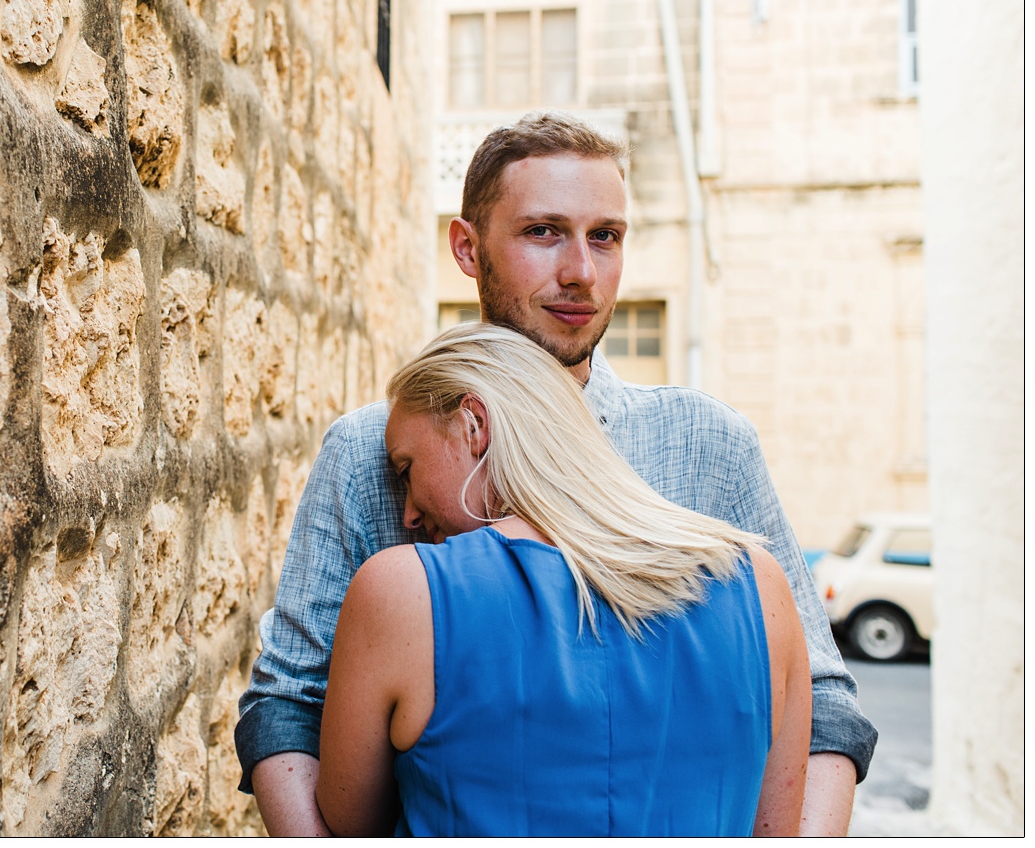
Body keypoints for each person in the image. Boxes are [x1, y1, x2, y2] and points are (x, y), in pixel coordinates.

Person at [234, 113, 877, 835]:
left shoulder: (709, 445)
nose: (581, 270)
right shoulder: (367, 450)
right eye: (544, 231)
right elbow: (287, 704)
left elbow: (823, 707)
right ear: (467, 249)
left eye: (605, 236)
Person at [315, 323, 810, 836]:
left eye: (406, 469)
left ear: (474, 426)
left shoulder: (402, 593)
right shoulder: (761, 586)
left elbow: (348, 824)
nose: (410, 514)